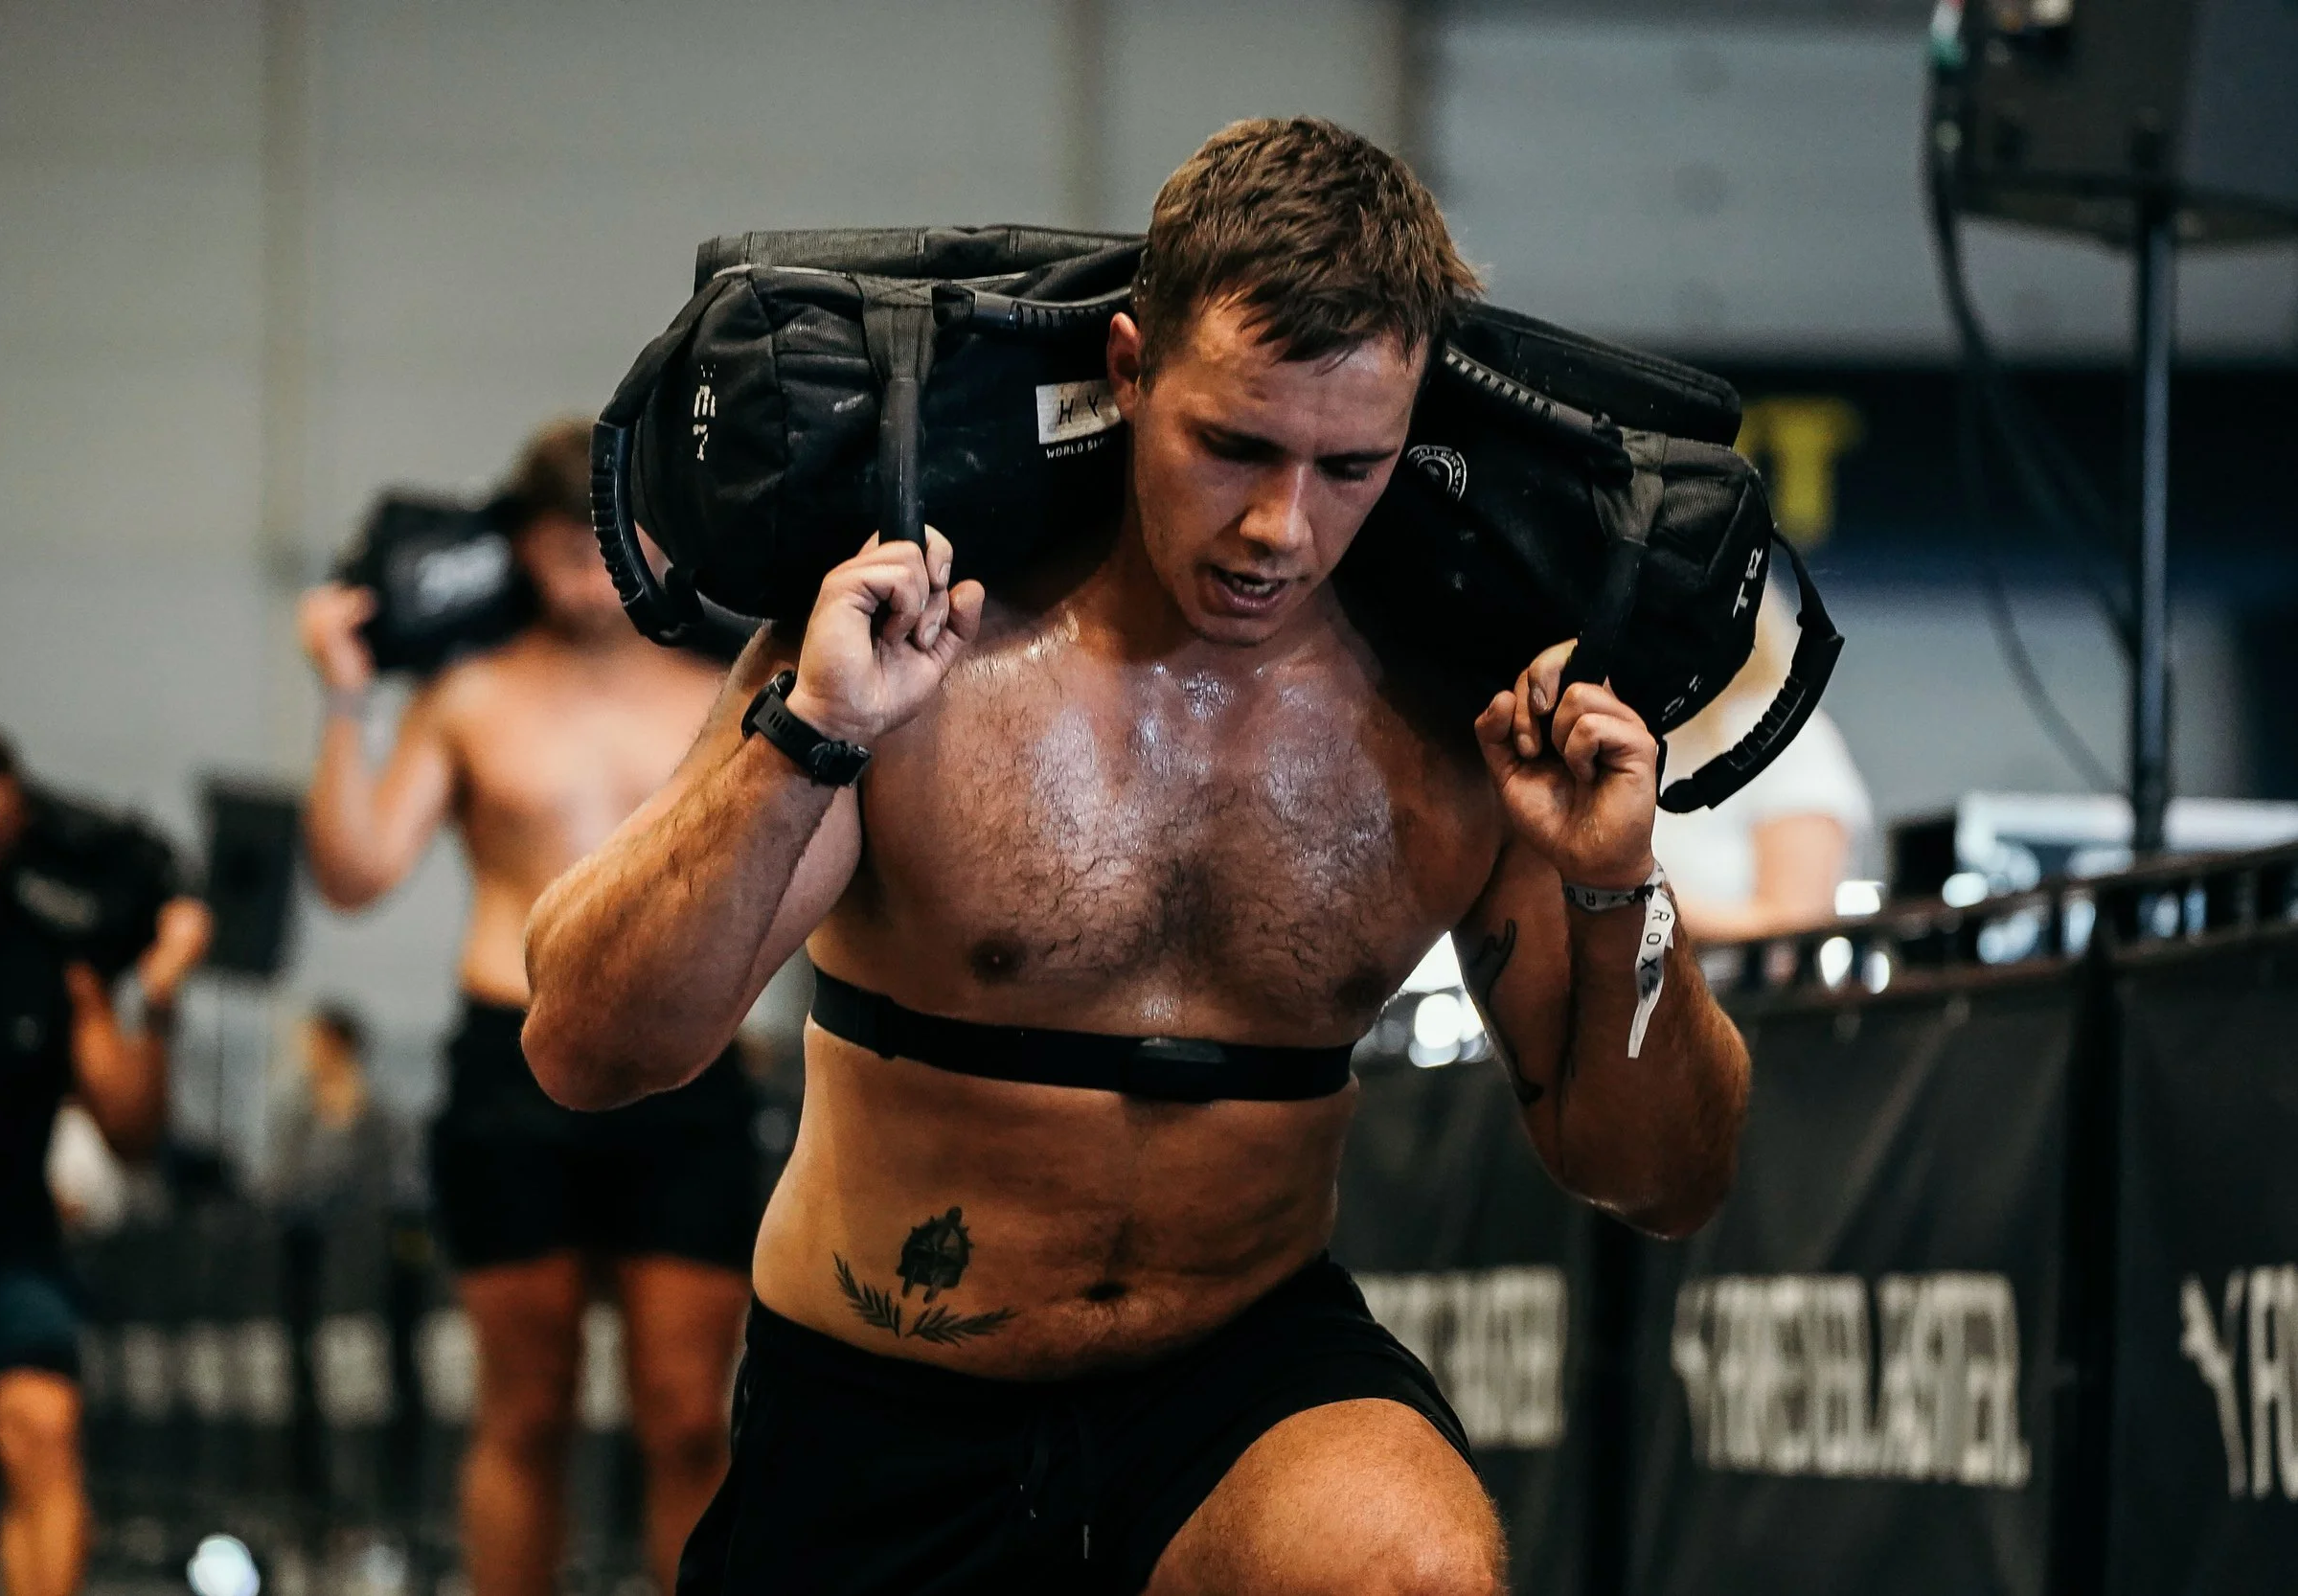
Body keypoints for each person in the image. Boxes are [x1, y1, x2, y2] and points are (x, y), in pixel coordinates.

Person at [523, 117, 1752, 1595]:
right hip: (884, 1397)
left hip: (1235, 1385)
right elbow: (586, 1045)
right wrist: (810, 738)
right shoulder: (914, 636)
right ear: (1126, 370)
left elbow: (1662, 1178)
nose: (1277, 527)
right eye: (1231, 443)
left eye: (1346, 464)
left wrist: (1620, 886)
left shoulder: (1471, 722)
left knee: (1409, 1571)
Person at [296, 420, 758, 1596]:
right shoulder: (466, 696)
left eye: (601, 540)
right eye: (555, 544)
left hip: (683, 1064)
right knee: (525, 1408)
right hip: (510, 1063)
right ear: (518, 547)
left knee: (685, 1413)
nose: (580, 569)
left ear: (649, 540)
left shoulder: (725, 690)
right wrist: (345, 702)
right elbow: (354, 875)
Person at [0, 719, 212, 1596]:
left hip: (2, 1259)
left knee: (42, 1424)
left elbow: (132, 1135)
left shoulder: (54, 949)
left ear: (16, 830)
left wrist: (154, 1006)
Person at [1650, 584, 1873, 943]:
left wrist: (1633, 903)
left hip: (1736, 995)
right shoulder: (1641, 734)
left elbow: (1794, 929)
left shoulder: (1785, 733)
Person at [262, 1003, 399, 1225]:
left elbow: (384, 1182)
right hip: (299, 1230)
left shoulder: (376, 1117)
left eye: (312, 1044)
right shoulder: (298, 1109)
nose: (305, 1055)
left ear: (333, 1045)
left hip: (357, 1233)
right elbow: (281, 1179)